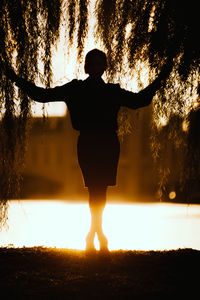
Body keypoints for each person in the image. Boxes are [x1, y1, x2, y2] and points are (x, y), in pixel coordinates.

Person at [5, 49, 171, 252]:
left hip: (109, 144)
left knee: (101, 189)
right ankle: (96, 234)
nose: (95, 68)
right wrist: (15, 78)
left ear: (104, 67)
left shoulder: (112, 91)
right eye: (92, 64)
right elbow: (42, 95)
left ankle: (94, 234)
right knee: (95, 188)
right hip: (88, 143)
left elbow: (140, 101)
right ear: (87, 67)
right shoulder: (75, 89)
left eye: (99, 64)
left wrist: (162, 77)